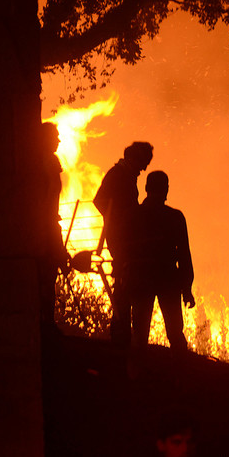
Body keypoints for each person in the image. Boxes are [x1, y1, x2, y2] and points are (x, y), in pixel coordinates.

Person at [93, 141, 154, 347]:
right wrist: (117, 221)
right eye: (143, 162)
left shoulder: (126, 176)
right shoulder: (117, 175)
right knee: (123, 280)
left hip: (126, 237)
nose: (144, 168)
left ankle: (122, 333)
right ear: (133, 158)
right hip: (120, 238)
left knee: (125, 280)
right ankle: (120, 333)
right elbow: (99, 200)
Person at [130, 171, 195, 352]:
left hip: (140, 278)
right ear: (166, 189)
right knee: (175, 333)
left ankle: (136, 374)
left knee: (139, 334)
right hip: (168, 278)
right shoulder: (175, 217)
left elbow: (126, 248)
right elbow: (184, 254)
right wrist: (187, 288)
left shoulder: (134, 215)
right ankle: (180, 374)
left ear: (146, 188)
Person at [37, 121, 69, 335]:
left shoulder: (48, 162)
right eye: (55, 136)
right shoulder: (40, 164)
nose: (59, 140)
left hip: (48, 225)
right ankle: (45, 325)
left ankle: (46, 323)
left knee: (48, 278)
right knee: (45, 277)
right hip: (43, 228)